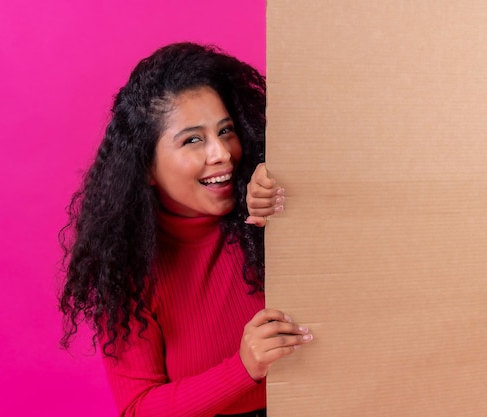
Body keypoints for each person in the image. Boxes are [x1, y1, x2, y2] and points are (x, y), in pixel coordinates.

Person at [58, 42, 313, 417]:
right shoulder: (129, 269)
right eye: (193, 139)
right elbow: (138, 408)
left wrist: (291, 187)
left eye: (226, 131)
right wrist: (243, 369)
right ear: (145, 167)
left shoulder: (268, 214)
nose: (222, 153)